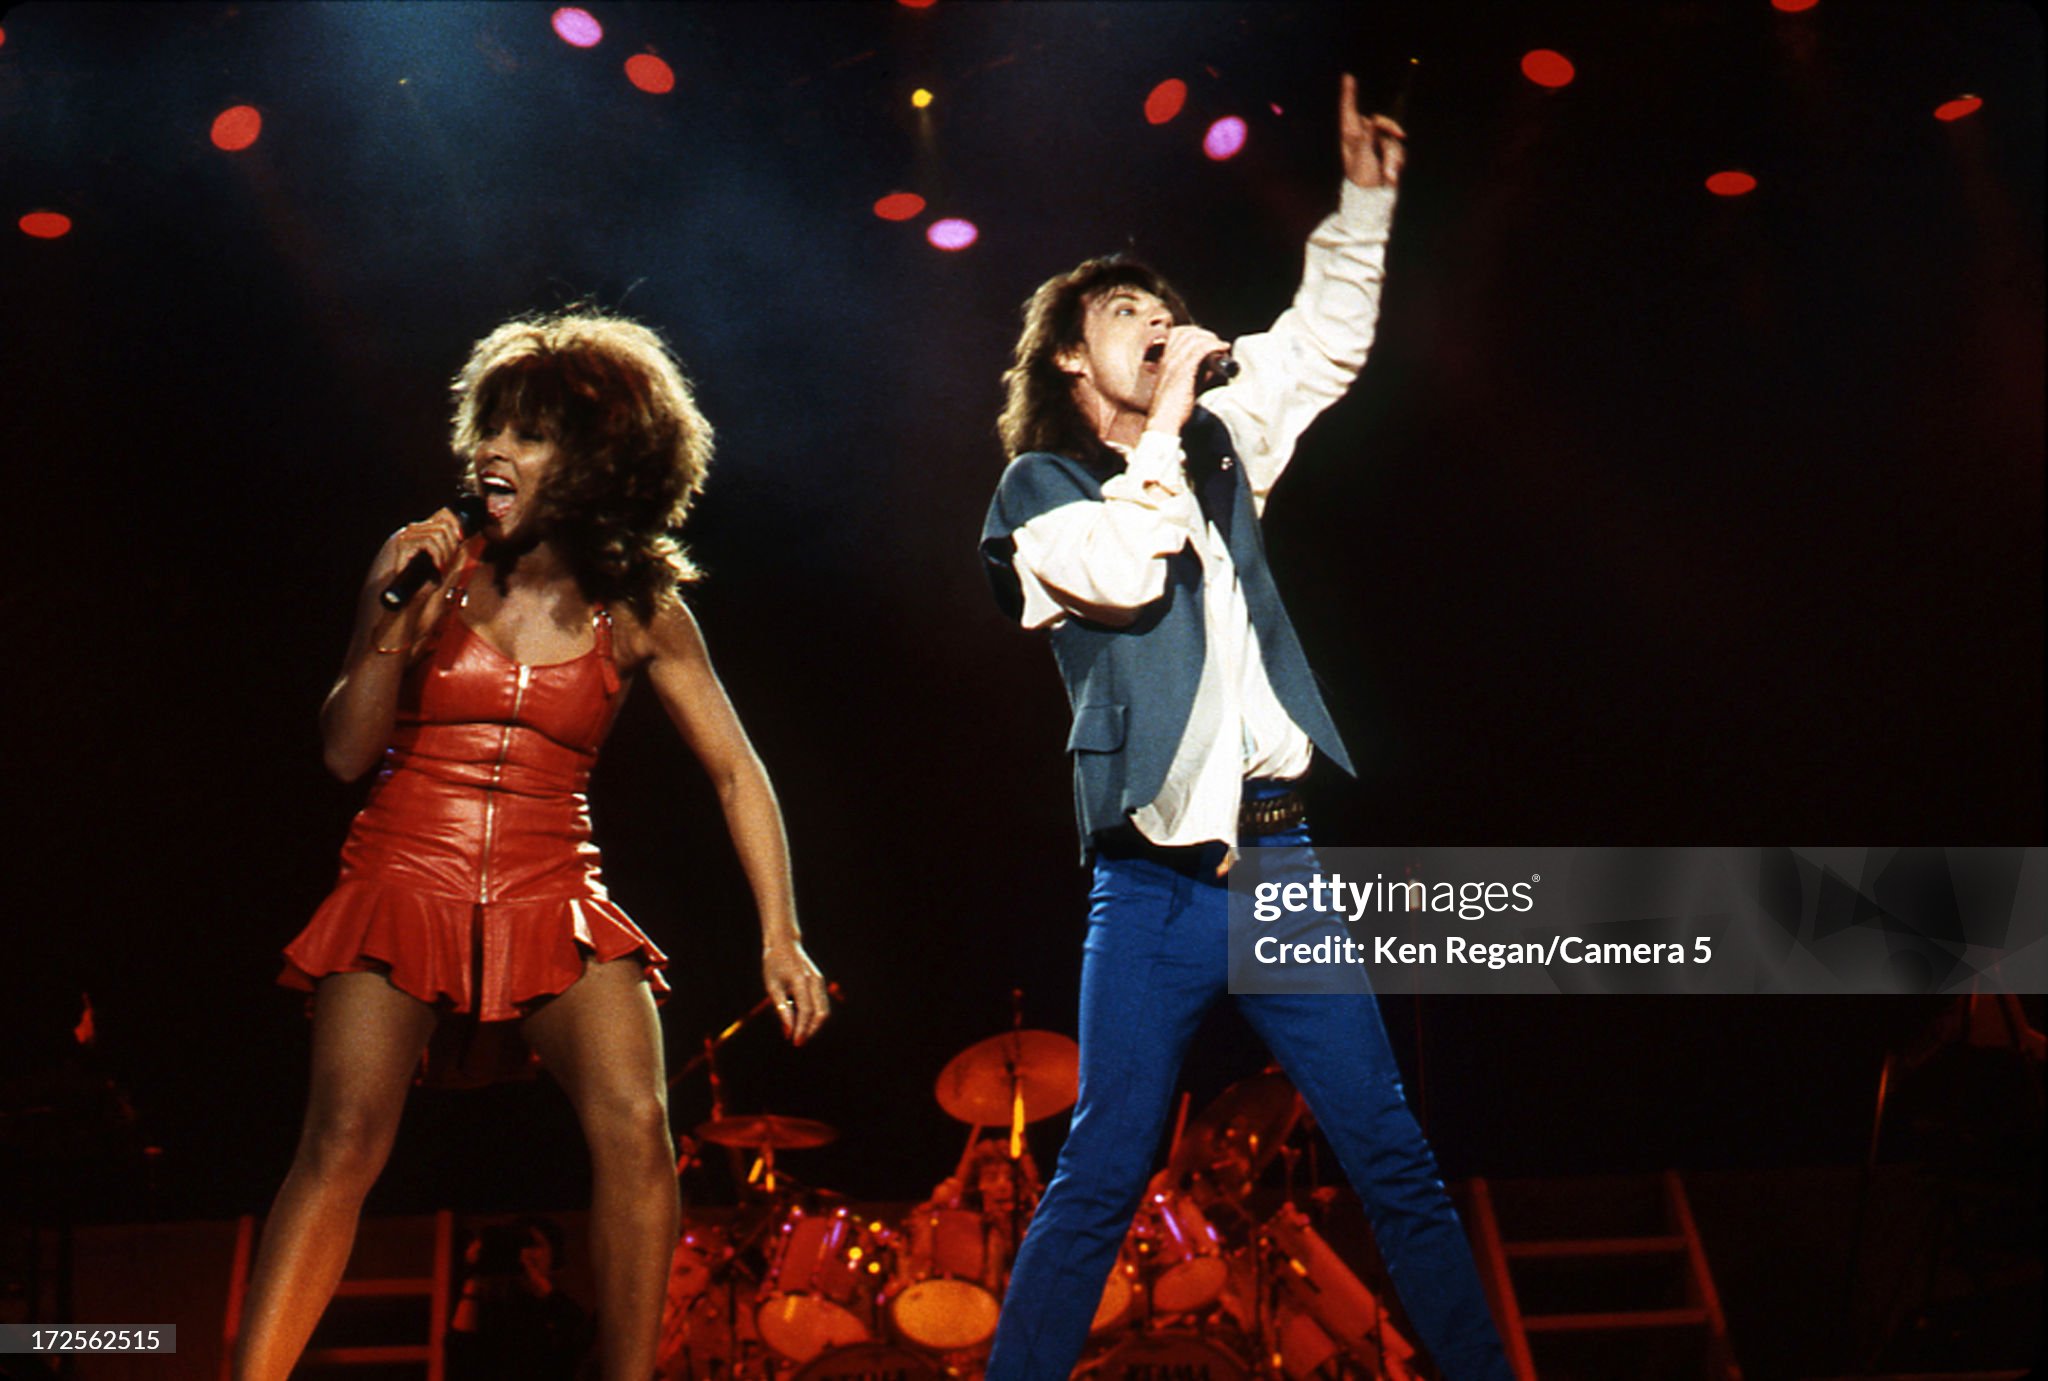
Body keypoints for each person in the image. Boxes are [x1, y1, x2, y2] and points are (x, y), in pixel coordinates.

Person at [978, 78, 1513, 1379]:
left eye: (1165, 313)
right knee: (1099, 1177)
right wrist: (1168, 418)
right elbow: (1125, 565)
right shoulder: (1039, 497)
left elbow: (1322, 341)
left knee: (1391, 1155)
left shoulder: (1217, 444)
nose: (1159, 329)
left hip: (1283, 864)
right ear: (1068, 355)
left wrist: (1368, 202)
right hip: (1151, 891)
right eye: (1125, 318)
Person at [234, 311, 831, 1381]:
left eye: (528, 434)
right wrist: (390, 635)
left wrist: (779, 935)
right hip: (401, 866)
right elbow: (342, 753)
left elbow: (739, 772)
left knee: (640, 1122)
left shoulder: (641, 605)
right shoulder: (421, 565)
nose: (491, 452)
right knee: (342, 1138)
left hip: (552, 882)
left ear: (600, 460)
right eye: (489, 427)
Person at [446, 1216, 592, 1381]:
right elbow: (458, 1358)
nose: (525, 1252)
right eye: (519, 1245)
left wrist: (541, 1285)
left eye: (533, 1244)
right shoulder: (491, 1307)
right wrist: (475, 1274)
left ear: (554, 1256)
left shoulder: (558, 1308)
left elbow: (580, 1337)